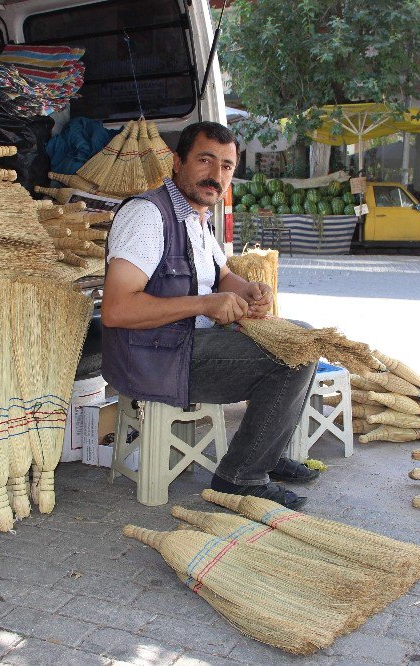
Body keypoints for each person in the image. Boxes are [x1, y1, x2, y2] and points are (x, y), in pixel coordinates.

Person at [100, 121, 318, 509]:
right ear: (178, 161)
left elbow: (222, 276)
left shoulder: (199, 218)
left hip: (184, 345)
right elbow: (117, 310)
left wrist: (248, 290)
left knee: (303, 337)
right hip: (154, 358)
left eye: (227, 166)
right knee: (291, 358)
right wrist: (204, 304)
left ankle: (264, 452)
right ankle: (240, 478)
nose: (216, 175)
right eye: (205, 160)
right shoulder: (148, 216)